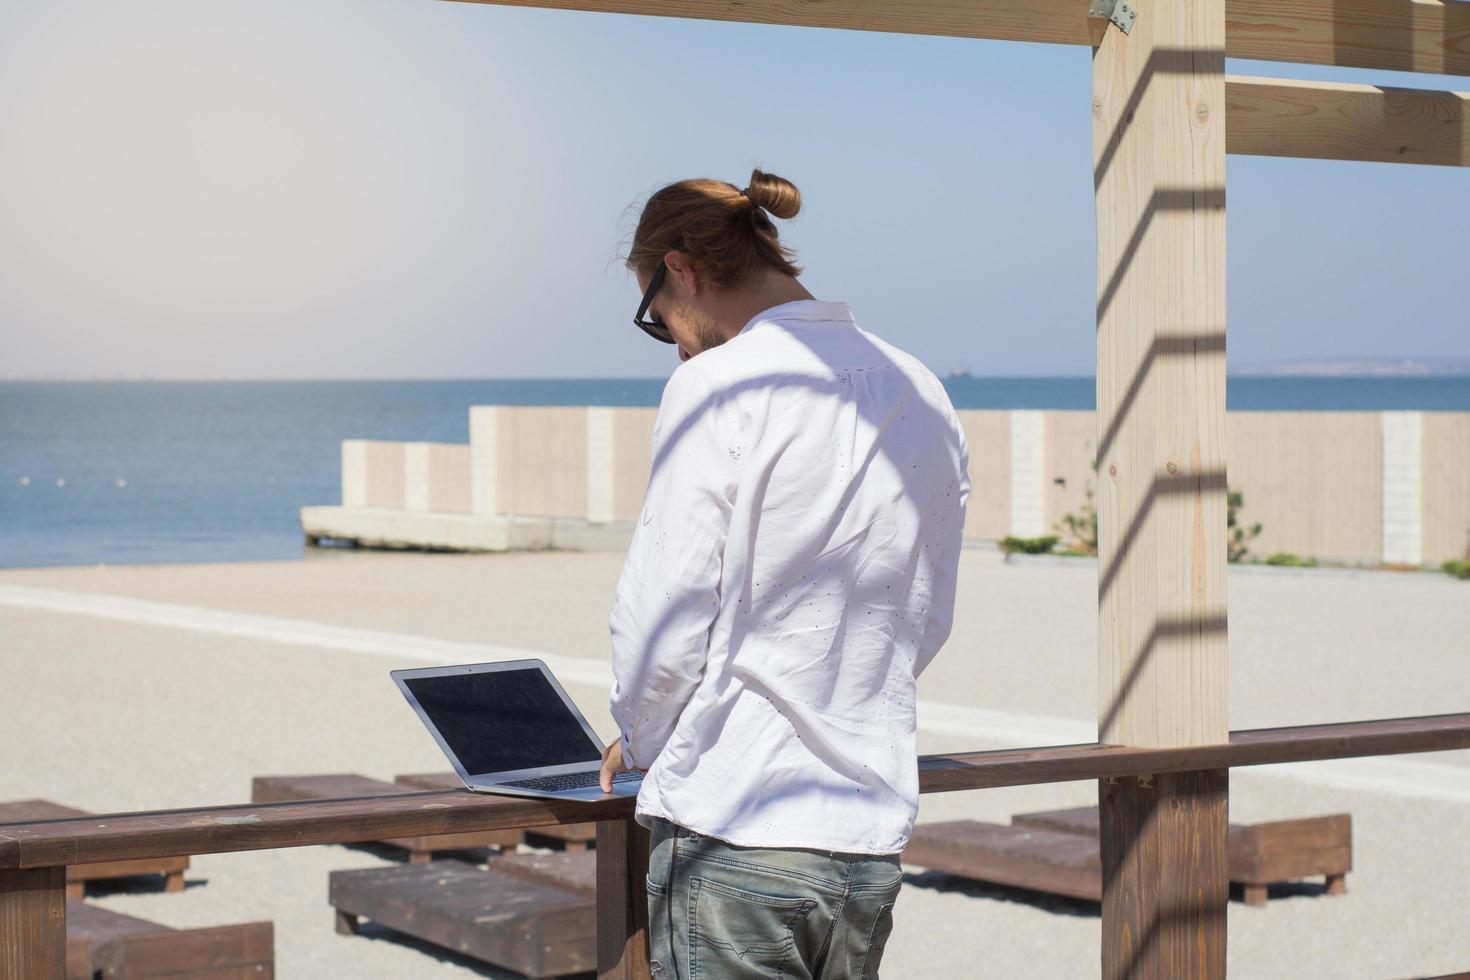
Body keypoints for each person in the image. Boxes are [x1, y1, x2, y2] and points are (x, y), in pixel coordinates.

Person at [598, 168, 970, 979]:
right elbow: (923, 612)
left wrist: (642, 738)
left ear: (682, 270)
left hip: (739, 824)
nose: (679, 341)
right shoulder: (921, 386)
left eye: (660, 320)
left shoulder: (721, 383)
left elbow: (666, 613)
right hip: (866, 836)